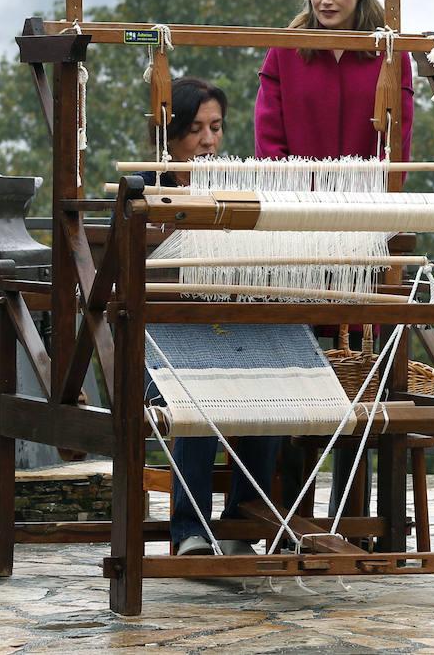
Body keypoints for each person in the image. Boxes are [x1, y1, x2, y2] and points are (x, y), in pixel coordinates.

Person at [254, 0, 414, 517]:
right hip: (299, 234)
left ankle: (355, 513)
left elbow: (398, 145)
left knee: (363, 368)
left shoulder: (390, 57)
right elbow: (269, 147)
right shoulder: (285, 54)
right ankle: (285, 509)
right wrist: (299, 216)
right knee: (294, 357)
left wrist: (371, 220)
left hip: (365, 233)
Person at [141, 77, 280, 557]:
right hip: (157, 345)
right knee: (197, 396)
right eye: (195, 128)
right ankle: (190, 532)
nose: (207, 141)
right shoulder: (143, 194)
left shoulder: (236, 193)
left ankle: (242, 523)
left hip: (225, 335)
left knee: (276, 394)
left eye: (216, 128)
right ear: (171, 134)